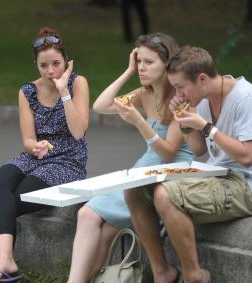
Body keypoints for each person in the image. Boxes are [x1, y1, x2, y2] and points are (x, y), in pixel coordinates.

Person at [125, 46, 252, 283]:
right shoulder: (203, 99)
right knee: (135, 189)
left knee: (165, 195)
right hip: (216, 176)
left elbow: (248, 156)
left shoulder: (247, 98)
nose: (178, 93)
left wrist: (206, 127)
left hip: (247, 187)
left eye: (181, 87)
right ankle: (162, 271)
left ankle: (193, 275)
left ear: (202, 79)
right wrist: (184, 122)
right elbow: (198, 149)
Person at [67, 32, 194, 283]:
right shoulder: (144, 93)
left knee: (102, 232)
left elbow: (168, 152)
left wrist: (138, 120)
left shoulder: (181, 98)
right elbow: (101, 106)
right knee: (87, 215)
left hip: (168, 173)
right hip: (143, 170)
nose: (141, 68)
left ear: (167, 64)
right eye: (139, 61)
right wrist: (127, 71)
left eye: (149, 62)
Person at [0, 27, 89, 282]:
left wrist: (64, 91)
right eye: (44, 66)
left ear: (66, 61)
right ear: (36, 65)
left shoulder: (77, 83)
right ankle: (6, 259)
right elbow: (28, 140)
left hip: (68, 159)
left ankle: (1, 259)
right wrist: (35, 147)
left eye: (56, 64)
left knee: (19, 195)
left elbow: (78, 132)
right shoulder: (27, 91)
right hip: (37, 156)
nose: (51, 71)